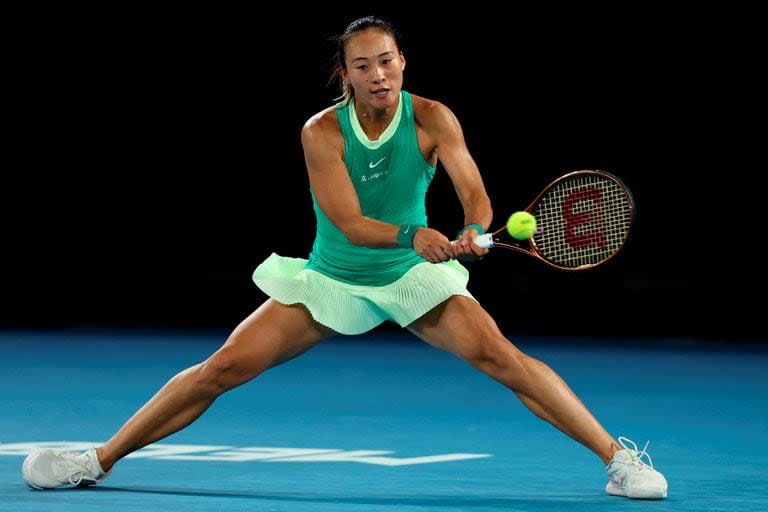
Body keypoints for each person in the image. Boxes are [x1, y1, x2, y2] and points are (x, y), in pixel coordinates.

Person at [22, 16, 667, 500]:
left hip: (412, 280)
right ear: (346, 75)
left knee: (506, 360)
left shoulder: (435, 117)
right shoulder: (321, 131)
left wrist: (473, 229)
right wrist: (413, 235)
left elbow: (475, 192)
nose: (378, 74)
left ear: (403, 62)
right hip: (332, 279)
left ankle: (619, 461)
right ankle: (97, 460)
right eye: (363, 66)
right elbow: (349, 222)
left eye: (386, 61)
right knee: (219, 370)